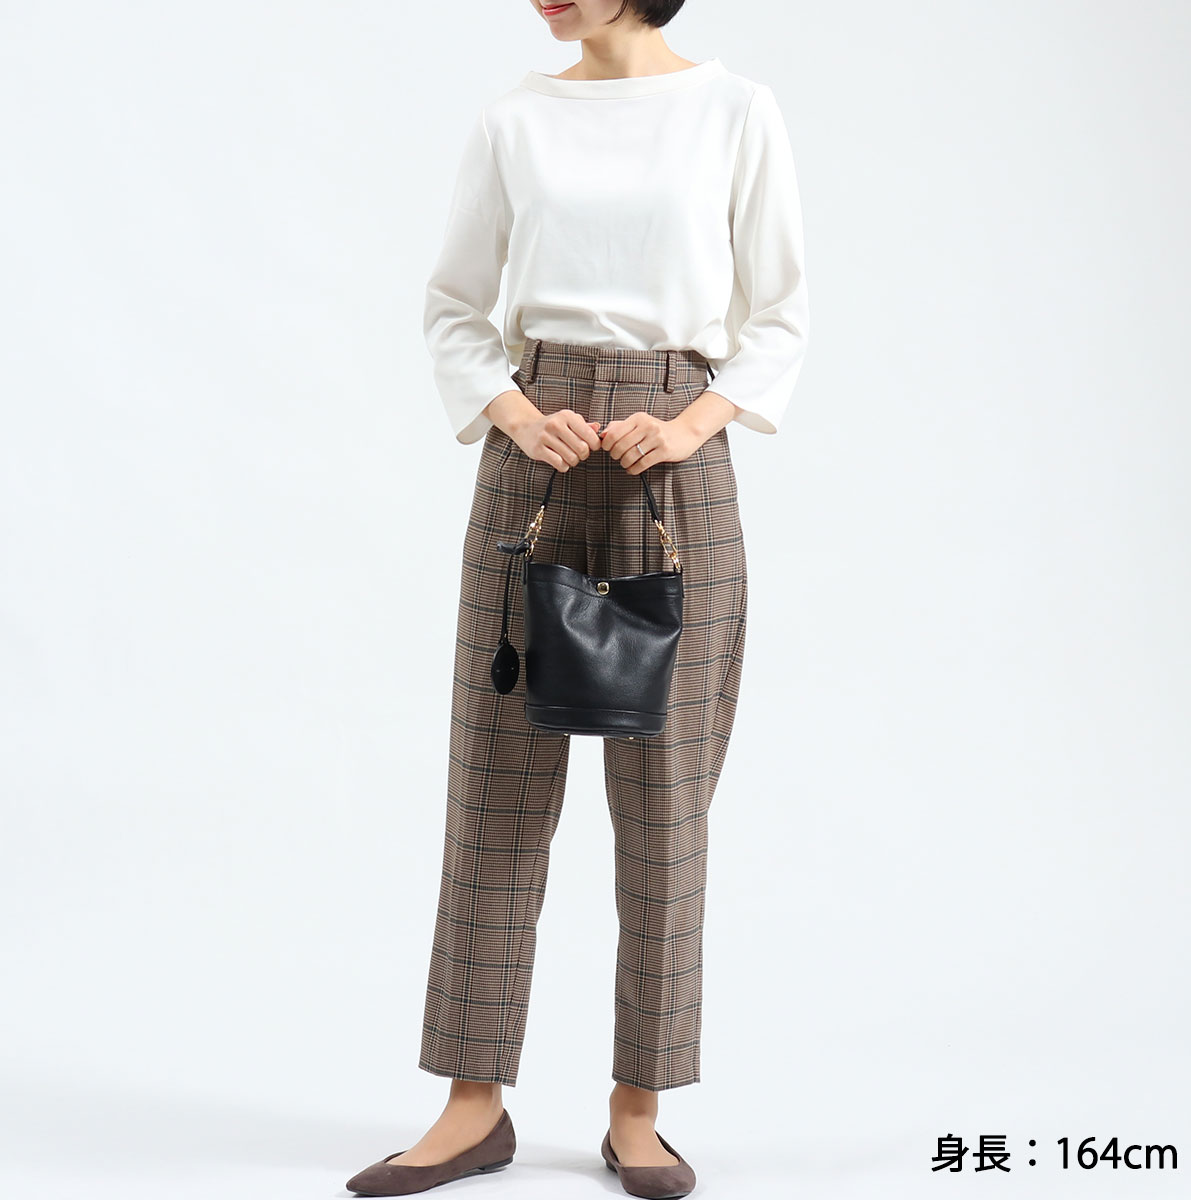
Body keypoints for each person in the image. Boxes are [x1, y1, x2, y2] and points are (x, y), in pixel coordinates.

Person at [346, 2, 808, 1196]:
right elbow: (455, 306)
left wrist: (691, 424)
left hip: (675, 462)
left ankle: (638, 1107)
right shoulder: (516, 119)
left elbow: (779, 316)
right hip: (533, 453)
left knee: (666, 801)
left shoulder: (734, 112)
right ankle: (472, 1105)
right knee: (495, 785)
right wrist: (512, 410)